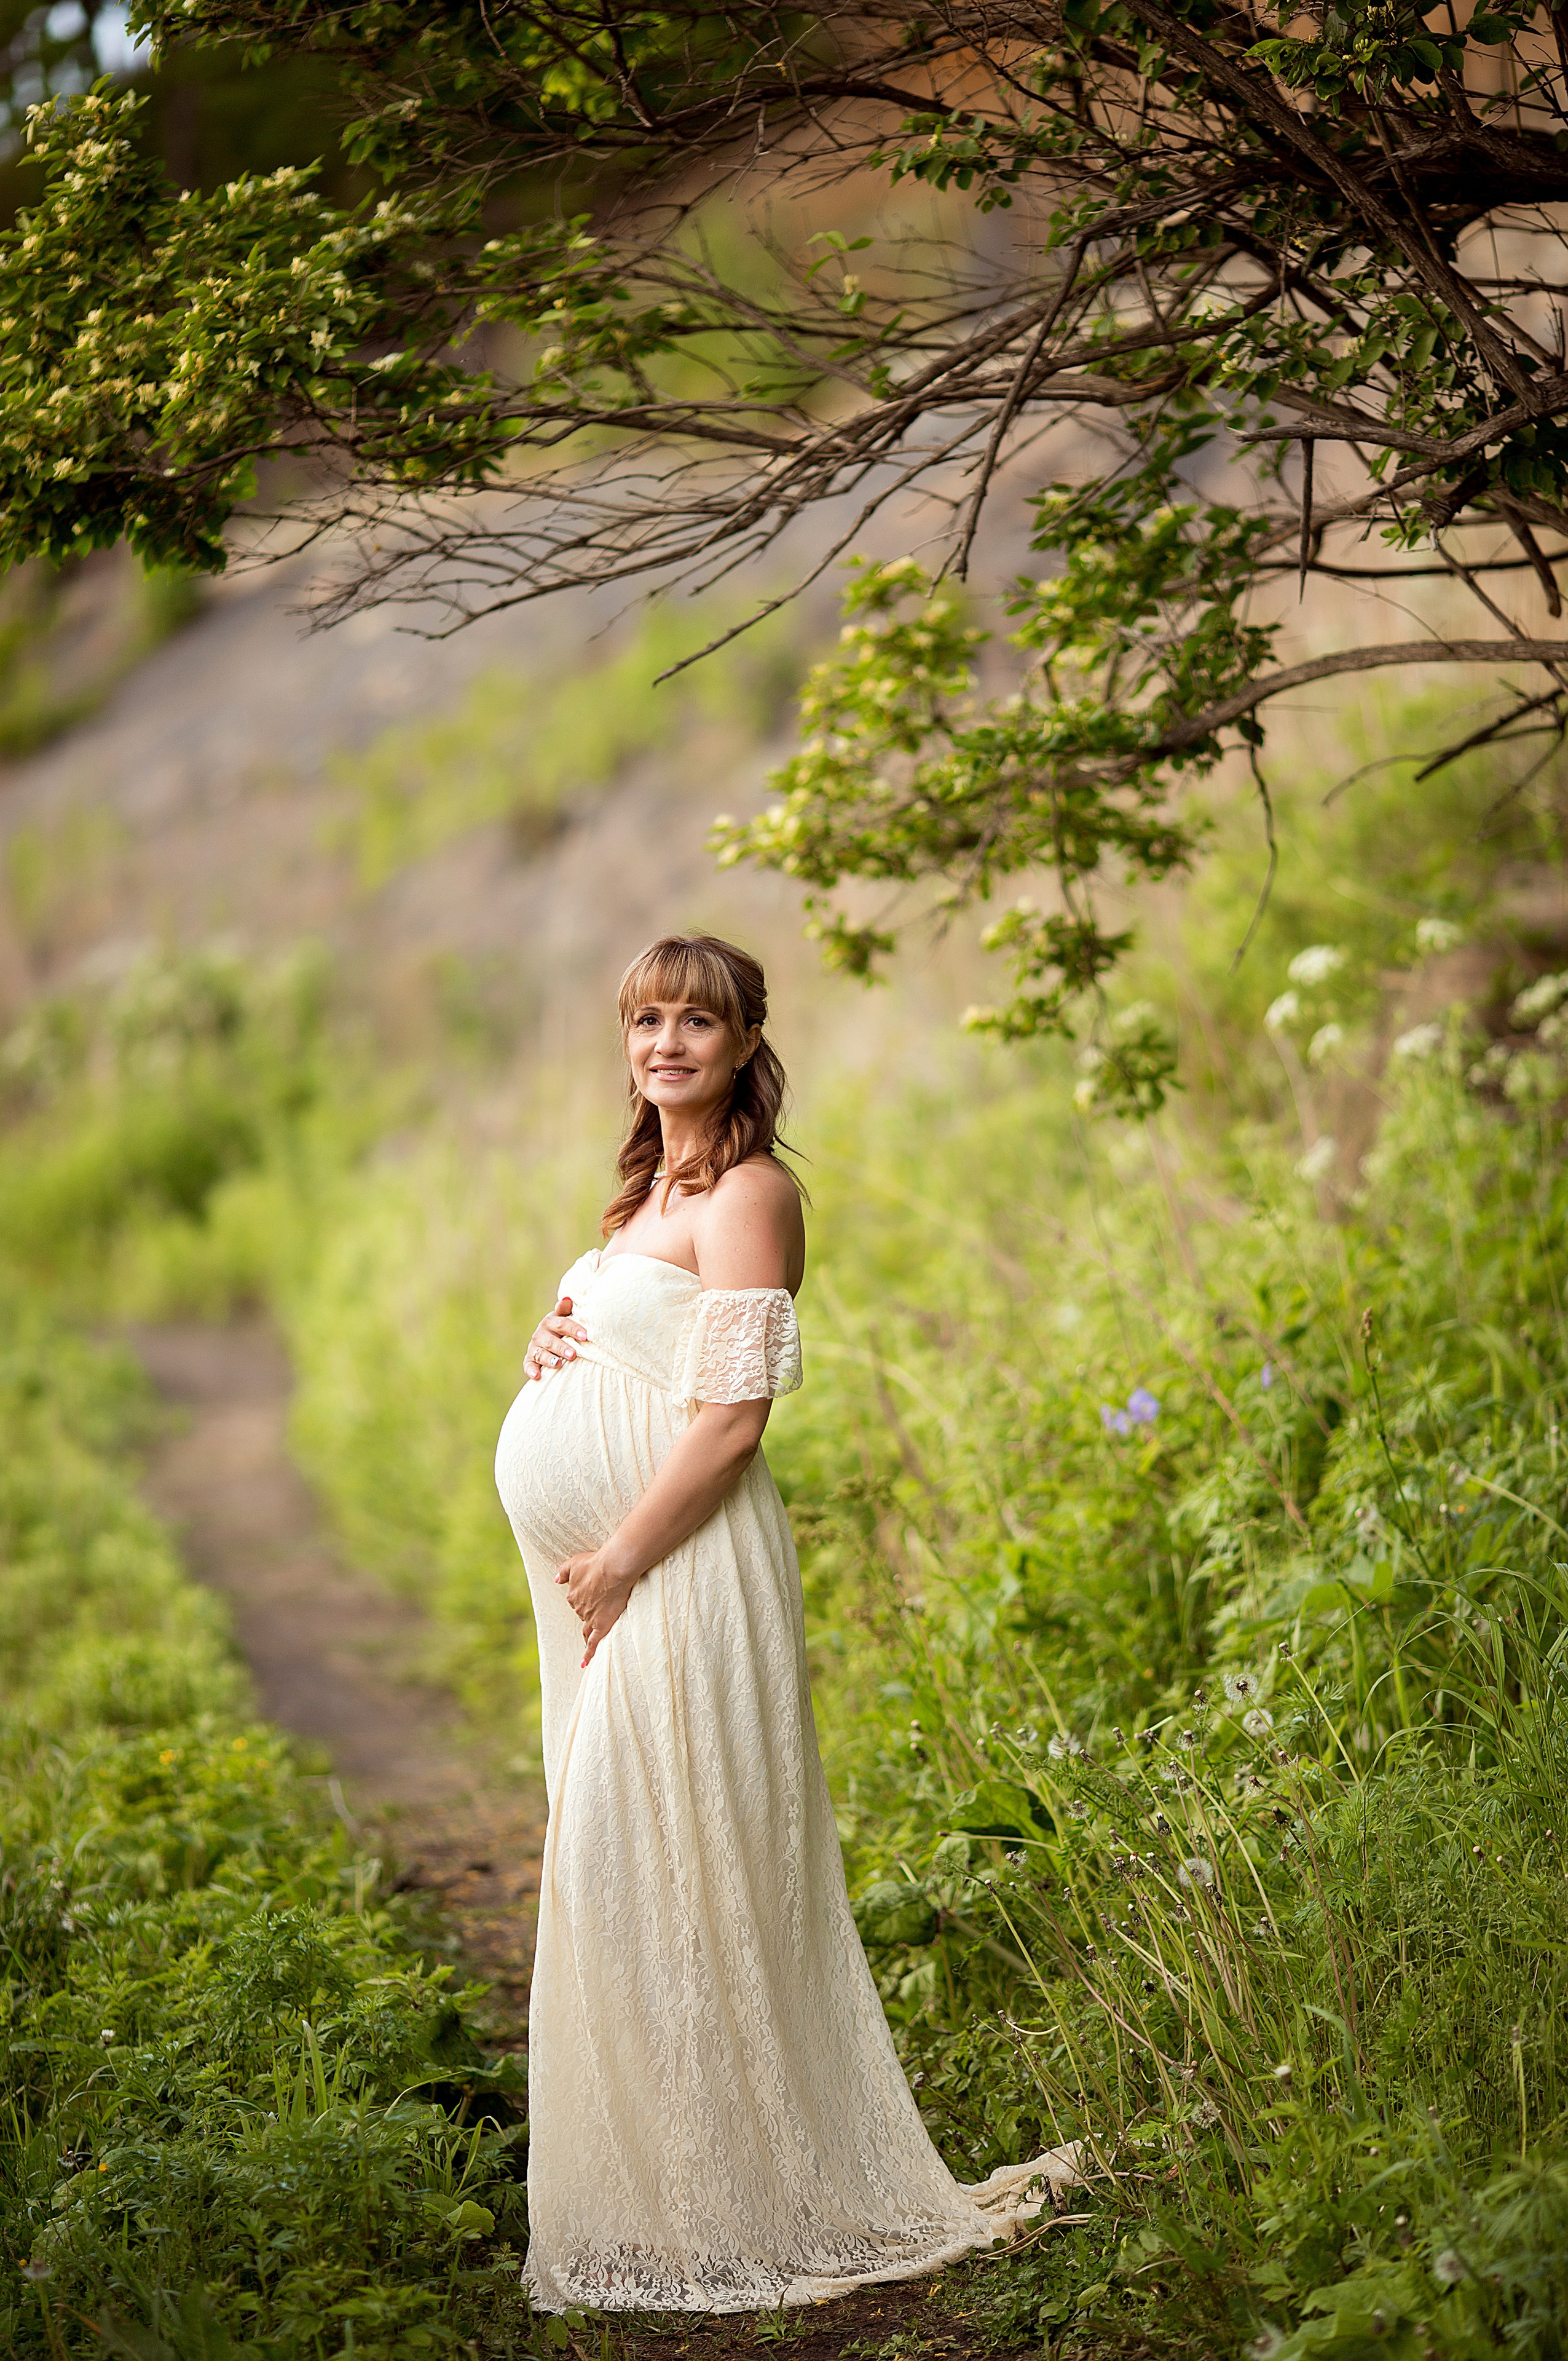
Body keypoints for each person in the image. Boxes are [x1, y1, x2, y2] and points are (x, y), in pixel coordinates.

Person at [494, 933, 1079, 2314]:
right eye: (645, 1019)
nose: (666, 1042)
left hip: (677, 1566)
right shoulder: (641, 1202)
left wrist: (622, 1556)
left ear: (746, 1043)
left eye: (697, 1020)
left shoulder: (752, 1193)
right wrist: (546, 1342)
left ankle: (737, 2200)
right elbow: (634, 1352)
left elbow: (735, 1421)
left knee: (679, 1865)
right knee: (623, 1871)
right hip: (615, 1573)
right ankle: (677, 2192)